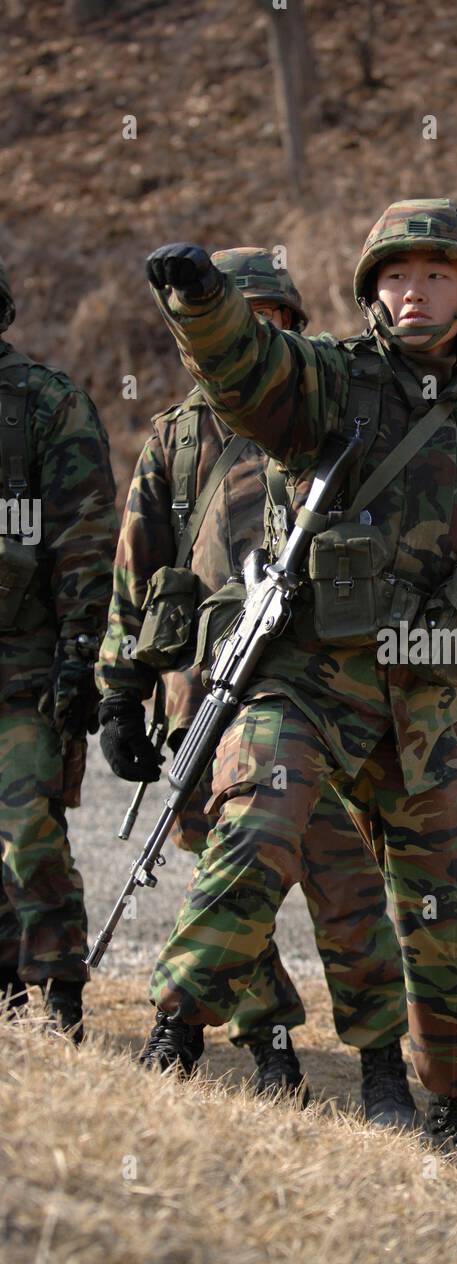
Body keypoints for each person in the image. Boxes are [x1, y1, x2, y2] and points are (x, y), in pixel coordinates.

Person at [142, 200, 457, 1171]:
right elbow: (247, 371)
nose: (414, 291)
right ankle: (176, 1031)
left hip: (412, 714)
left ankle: (452, 1117)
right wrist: (200, 302)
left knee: (454, 910)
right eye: (396, 277)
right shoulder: (331, 382)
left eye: (435, 276)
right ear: (372, 292)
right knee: (260, 823)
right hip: (301, 685)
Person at [97, 248, 413, 1126]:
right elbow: (139, 566)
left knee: (344, 884)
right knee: (231, 880)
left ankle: (382, 1064)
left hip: (315, 692)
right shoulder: (177, 437)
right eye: (245, 321)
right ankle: (263, 1037)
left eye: (274, 322)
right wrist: (120, 691)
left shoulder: (330, 424)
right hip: (200, 692)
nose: (258, 338)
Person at [0, 252, 117, 1044]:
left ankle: (58, 996)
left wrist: (79, 653)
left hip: (24, 665)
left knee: (27, 829)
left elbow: (83, 537)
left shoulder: (44, 405)